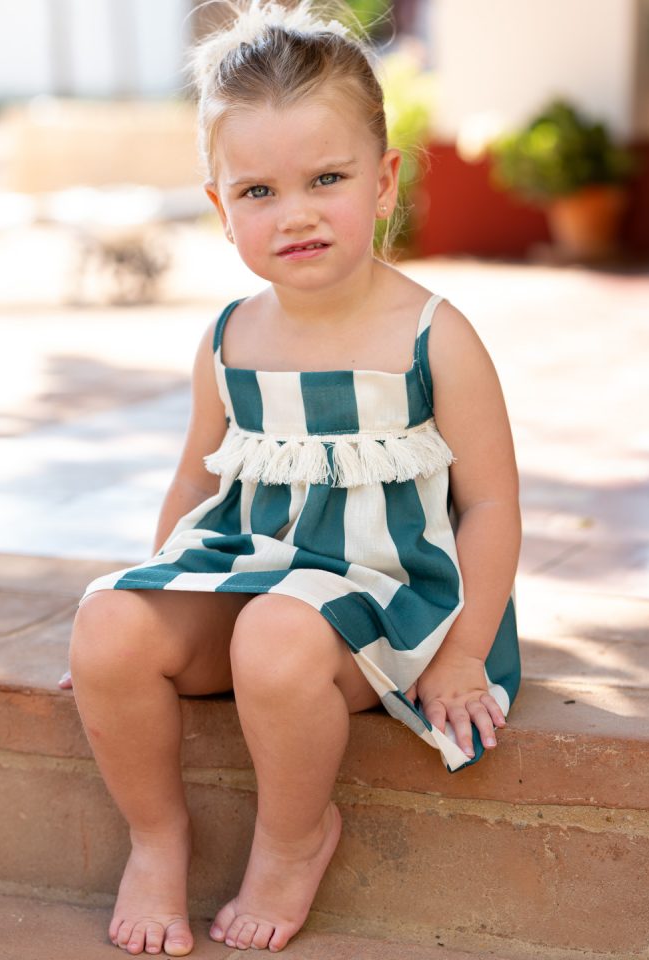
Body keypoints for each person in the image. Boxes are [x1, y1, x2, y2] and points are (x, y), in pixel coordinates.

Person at [63, 1, 521, 955]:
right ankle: (157, 837)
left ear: (384, 180)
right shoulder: (230, 337)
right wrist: (157, 601)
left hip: (386, 596)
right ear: (220, 207)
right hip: (252, 573)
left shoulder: (434, 333)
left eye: (327, 177)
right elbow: (194, 480)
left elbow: (489, 502)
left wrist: (466, 650)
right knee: (106, 619)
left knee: (277, 637)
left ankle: (294, 838)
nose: (297, 210)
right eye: (259, 190)